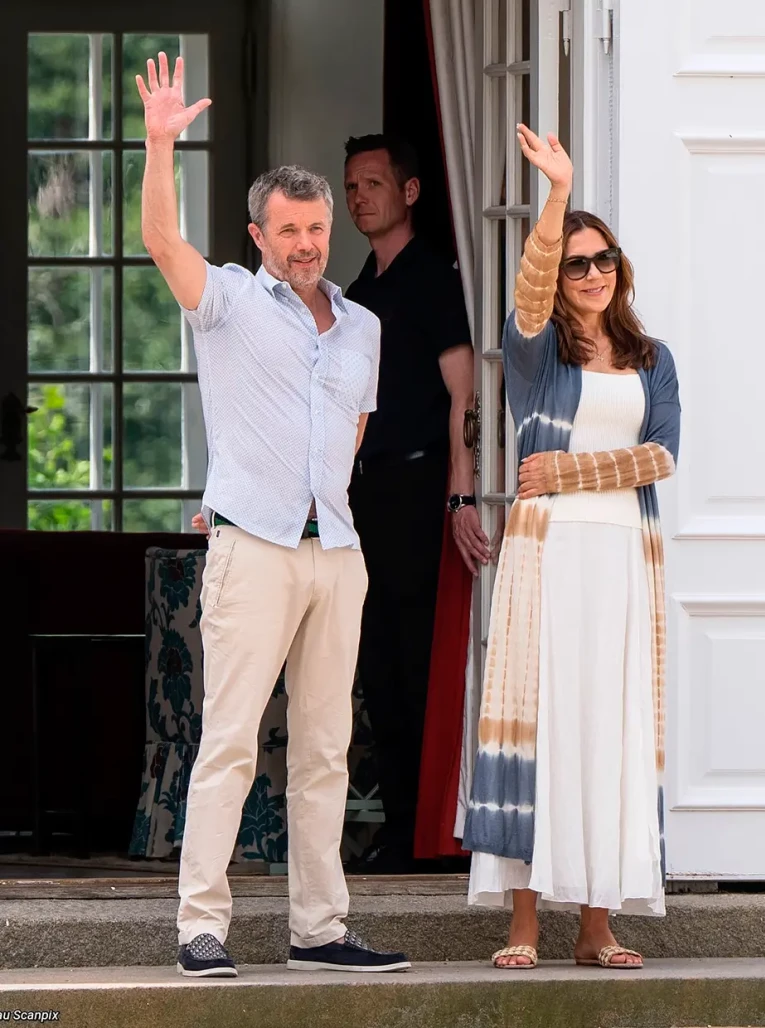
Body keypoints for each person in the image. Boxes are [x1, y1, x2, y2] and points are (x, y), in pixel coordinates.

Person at [137, 52, 409, 977]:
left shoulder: (363, 325)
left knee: (327, 749)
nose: (306, 243)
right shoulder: (226, 304)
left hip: (336, 552)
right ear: (258, 234)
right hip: (251, 548)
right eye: (288, 230)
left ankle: (320, 930)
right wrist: (161, 144)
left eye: (318, 227)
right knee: (231, 743)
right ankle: (200, 928)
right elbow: (162, 242)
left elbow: (354, 433)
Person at [463, 124, 680, 969]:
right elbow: (528, 290)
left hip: (624, 561)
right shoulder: (535, 353)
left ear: (621, 268)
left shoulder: (653, 359)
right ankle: (524, 921)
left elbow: (662, 455)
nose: (591, 274)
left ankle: (597, 925)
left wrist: (569, 468)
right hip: (548, 560)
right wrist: (557, 196)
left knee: (609, 730)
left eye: (604, 259)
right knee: (542, 723)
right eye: (578, 262)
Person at [343, 134, 490, 873]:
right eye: (351, 187)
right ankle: (401, 830)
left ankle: (434, 835)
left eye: (373, 183)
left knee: (416, 660)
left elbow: (463, 397)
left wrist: (460, 493)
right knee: (375, 663)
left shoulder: (431, 280)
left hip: (419, 484)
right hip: (365, 492)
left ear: (409, 192)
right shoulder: (358, 290)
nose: (358, 197)